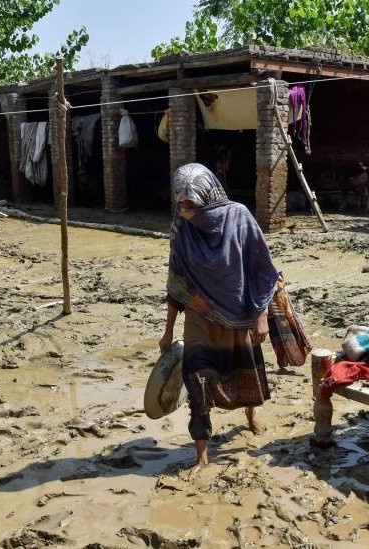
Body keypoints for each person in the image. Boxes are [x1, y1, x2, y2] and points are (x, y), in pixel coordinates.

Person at [159, 163, 280, 473]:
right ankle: (202, 454)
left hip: (241, 310)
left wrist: (262, 314)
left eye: (192, 205)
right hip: (200, 315)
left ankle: (252, 413)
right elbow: (176, 279)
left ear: (209, 198)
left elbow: (262, 270)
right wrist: (169, 329)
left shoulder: (239, 217)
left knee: (247, 368)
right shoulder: (181, 226)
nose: (186, 210)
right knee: (196, 380)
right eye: (181, 204)